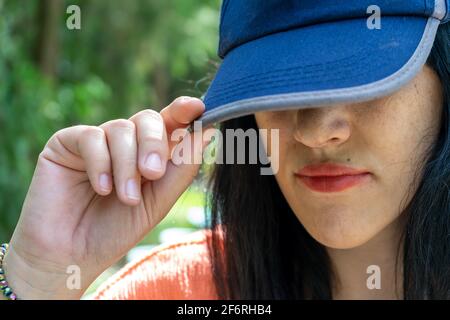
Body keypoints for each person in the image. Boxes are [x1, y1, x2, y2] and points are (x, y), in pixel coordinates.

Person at [1, 0, 449, 300]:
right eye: (281, 87)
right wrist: (38, 277)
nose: (314, 132)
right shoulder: (172, 293)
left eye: (366, 76)